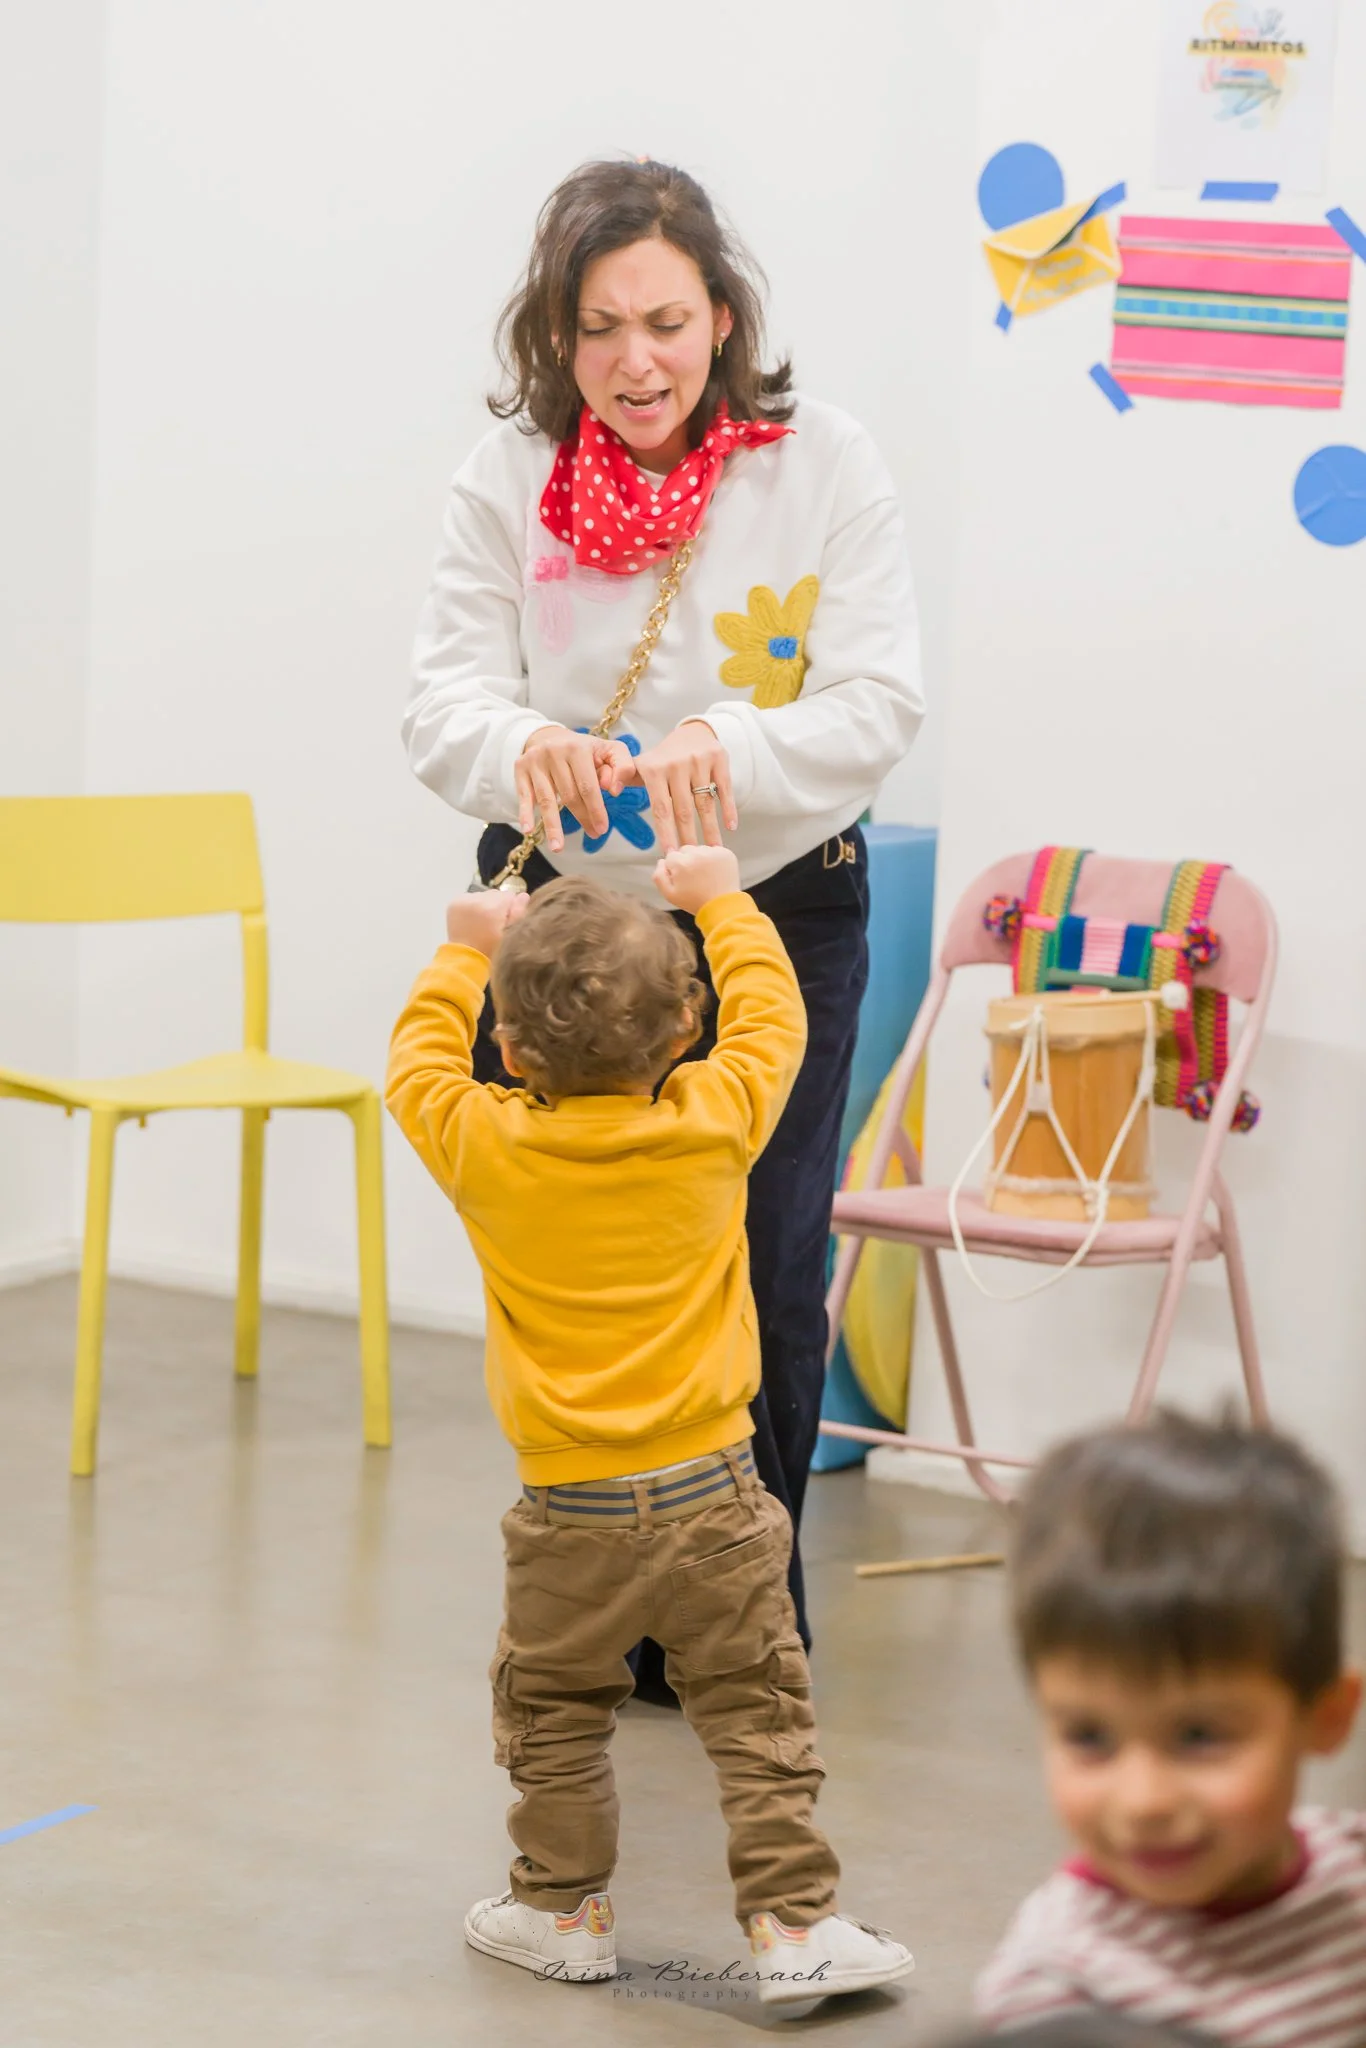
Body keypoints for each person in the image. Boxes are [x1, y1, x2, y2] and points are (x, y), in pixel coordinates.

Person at [403, 157, 923, 1672]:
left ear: (722, 316)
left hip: (772, 906)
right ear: (554, 339)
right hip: (563, 928)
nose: (637, 360)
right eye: (599, 327)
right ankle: (593, 1623)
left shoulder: (818, 460)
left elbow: (880, 701)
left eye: (668, 322)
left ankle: (737, 1632)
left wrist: (724, 751)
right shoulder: (505, 475)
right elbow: (438, 706)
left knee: (765, 1261)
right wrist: (522, 749)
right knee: (573, 1267)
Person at [385, 842, 915, 2007]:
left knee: (556, 1713)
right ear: (684, 1030)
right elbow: (775, 1017)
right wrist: (721, 896)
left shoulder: (484, 1141)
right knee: (754, 1710)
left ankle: (560, 1907)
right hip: (718, 1496)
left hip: (564, 1511)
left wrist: (461, 948)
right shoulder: (718, 1120)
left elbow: (416, 1066)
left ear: (510, 1049)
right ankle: (794, 1926)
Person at [974, 1410, 1366, 2045]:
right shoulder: (1055, 1993)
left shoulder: (1354, 1881)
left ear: (1325, 1716)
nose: (1144, 1800)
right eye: (1089, 1737)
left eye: (1199, 1737)